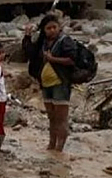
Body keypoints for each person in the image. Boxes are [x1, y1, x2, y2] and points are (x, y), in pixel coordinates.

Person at [23, 14, 76, 152]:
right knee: (51, 117)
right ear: (44, 30)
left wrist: (53, 59)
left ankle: (59, 149)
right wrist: (27, 36)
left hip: (60, 83)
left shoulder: (65, 41)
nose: (52, 30)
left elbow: (71, 60)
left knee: (61, 118)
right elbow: (30, 53)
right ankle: (51, 145)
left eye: (54, 27)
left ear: (59, 28)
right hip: (46, 84)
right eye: (48, 28)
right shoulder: (43, 43)